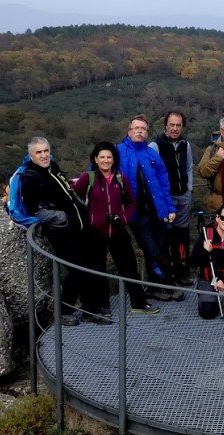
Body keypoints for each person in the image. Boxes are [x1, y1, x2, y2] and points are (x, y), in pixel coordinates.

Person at [72, 142, 159, 316]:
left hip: (118, 229)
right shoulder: (87, 178)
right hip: (95, 232)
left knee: (128, 268)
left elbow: (131, 201)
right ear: (95, 159)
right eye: (102, 157)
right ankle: (102, 306)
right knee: (97, 269)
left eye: (109, 157)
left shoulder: (121, 178)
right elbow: (76, 199)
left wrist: (124, 218)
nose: (105, 160)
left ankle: (139, 302)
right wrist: (88, 220)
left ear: (114, 159)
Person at [18, 136, 96, 326]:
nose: (44, 155)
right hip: (61, 232)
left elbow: (67, 193)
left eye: (46, 151)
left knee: (85, 267)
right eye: (39, 152)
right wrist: (66, 218)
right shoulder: (30, 178)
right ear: (31, 155)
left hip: (78, 227)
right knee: (78, 270)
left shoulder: (53, 168)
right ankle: (69, 312)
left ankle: (85, 309)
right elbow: (35, 211)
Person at [117, 114, 181, 300]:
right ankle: (164, 285)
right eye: (136, 128)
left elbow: (164, 184)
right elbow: (97, 171)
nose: (139, 131)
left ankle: (156, 287)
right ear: (129, 131)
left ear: (147, 132)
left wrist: (170, 209)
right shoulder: (118, 152)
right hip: (136, 214)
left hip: (157, 211)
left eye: (143, 129)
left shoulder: (152, 154)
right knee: (151, 249)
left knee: (160, 248)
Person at [150, 111, 194, 285]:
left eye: (178, 125)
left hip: (183, 196)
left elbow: (189, 167)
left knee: (182, 237)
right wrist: (160, 198)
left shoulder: (186, 145)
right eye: (172, 124)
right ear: (165, 125)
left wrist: (189, 190)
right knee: (165, 238)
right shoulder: (156, 146)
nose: (175, 128)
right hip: (165, 200)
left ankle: (182, 273)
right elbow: (151, 175)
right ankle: (167, 277)